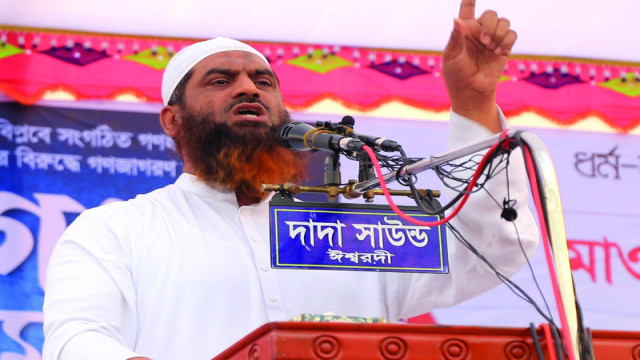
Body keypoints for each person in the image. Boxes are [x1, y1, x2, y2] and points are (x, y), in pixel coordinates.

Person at [42, 0, 539, 359]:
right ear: (172, 120)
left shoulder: (358, 230)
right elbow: (77, 338)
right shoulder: (119, 231)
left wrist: (473, 101)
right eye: (220, 80)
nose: (247, 88)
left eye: (263, 82)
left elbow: (490, 245)